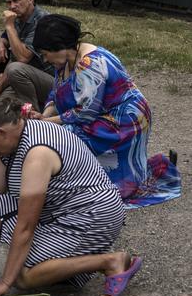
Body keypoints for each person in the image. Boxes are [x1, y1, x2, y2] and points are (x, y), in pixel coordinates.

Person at [0, 97, 139, 296]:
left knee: (22, 278)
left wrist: (5, 282)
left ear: (1, 132)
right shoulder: (11, 145)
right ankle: (59, 262)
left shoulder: (37, 153)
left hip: (93, 215)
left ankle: (109, 261)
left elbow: (26, 226)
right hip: (59, 211)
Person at [31, 14, 182, 208]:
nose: (44, 59)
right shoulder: (64, 61)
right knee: (58, 133)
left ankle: (87, 187)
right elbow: (55, 93)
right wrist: (44, 115)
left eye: (45, 53)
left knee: (65, 136)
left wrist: (46, 123)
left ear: (58, 46)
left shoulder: (90, 64)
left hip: (124, 120)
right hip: (103, 115)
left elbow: (84, 113)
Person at [0, 0, 54, 110]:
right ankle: (4, 99)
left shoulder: (43, 20)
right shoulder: (19, 17)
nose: (12, 6)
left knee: (14, 69)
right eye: (9, 2)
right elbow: (7, 38)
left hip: (52, 82)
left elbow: (22, 58)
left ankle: (32, 113)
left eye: (17, 0)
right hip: (25, 76)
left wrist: (9, 26)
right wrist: (1, 44)